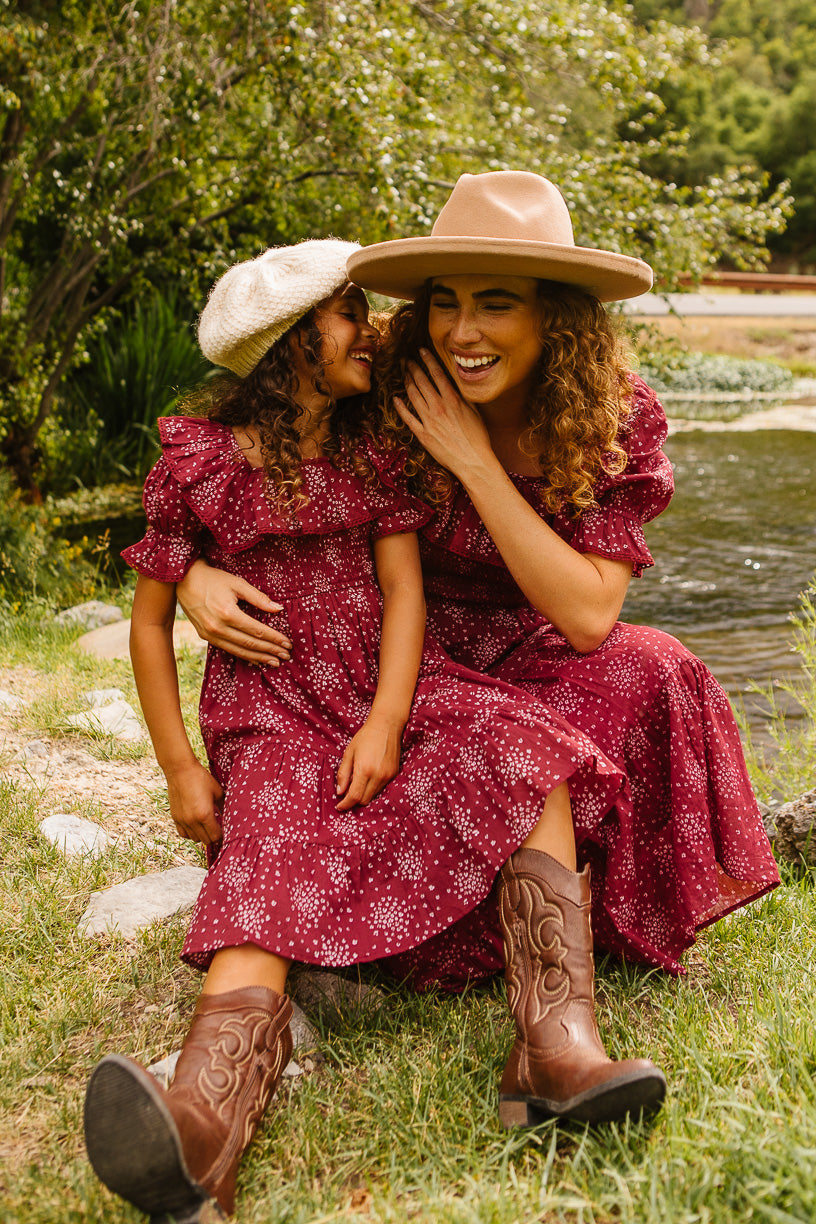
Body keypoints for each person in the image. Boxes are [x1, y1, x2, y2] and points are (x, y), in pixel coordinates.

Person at [84, 238, 665, 1224]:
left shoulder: (371, 446)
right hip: (269, 712)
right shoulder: (206, 460)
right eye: (351, 313)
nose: (379, 327)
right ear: (289, 344)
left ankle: (557, 1045)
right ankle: (199, 1131)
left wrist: (390, 717)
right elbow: (149, 612)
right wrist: (182, 761)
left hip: (395, 681)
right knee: (268, 848)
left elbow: (404, 590)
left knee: (523, 746)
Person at [177, 171, 779, 993]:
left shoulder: (614, 417)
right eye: (444, 301)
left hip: (535, 650)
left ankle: (558, 935)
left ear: (556, 316)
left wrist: (472, 461)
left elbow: (589, 618)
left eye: (495, 303)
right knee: (438, 745)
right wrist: (192, 574)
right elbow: (240, 442)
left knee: (659, 666)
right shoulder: (387, 371)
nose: (462, 331)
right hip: (398, 661)